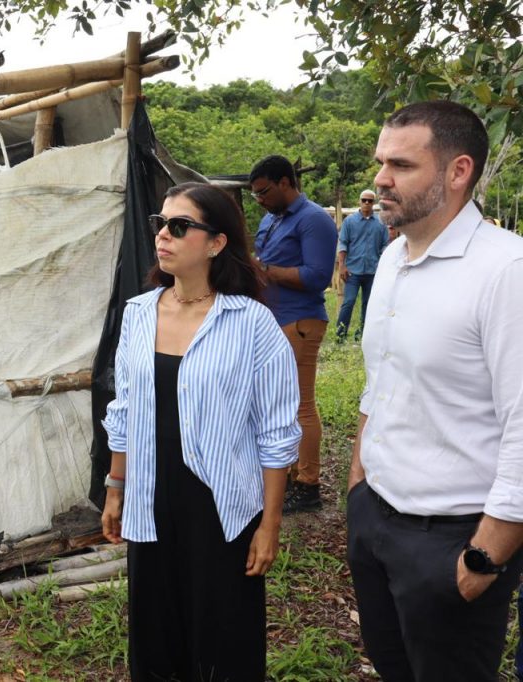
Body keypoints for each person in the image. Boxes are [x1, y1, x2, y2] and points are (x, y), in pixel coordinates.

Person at [347, 100, 523, 681]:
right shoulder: (396, 256)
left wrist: (483, 557)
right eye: (380, 162)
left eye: (401, 164)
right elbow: (383, 382)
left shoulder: (506, 271)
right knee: (394, 666)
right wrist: (358, 486)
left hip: (454, 537)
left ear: (458, 171)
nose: (380, 178)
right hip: (376, 518)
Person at [101, 182, 300, 681]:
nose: (163, 235)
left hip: (220, 505)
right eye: (160, 224)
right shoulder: (139, 314)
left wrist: (269, 525)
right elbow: (124, 409)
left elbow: (277, 434)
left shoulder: (252, 324)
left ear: (215, 243)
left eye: (179, 226)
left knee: (223, 638)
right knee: (155, 632)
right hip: (150, 497)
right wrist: (116, 485)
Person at [249, 155, 338, 514]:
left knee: (300, 405)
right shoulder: (272, 217)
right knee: (275, 404)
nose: (260, 200)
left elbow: (317, 277)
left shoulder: (314, 220)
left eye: (264, 191)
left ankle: (308, 485)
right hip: (273, 322)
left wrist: (265, 270)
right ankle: (282, 476)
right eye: (255, 194)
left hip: (299, 321)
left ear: (286, 182)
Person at [335, 189, 388, 342]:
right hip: (352, 270)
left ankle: (363, 334)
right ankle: (340, 335)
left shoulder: (380, 223)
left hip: (372, 271)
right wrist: (342, 266)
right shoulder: (349, 222)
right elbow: (343, 243)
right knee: (349, 302)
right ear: (359, 201)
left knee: (368, 304)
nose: (366, 203)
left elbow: (385, 245)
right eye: (364, 200)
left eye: (370, 201)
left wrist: (381, 264)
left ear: (374, 203)